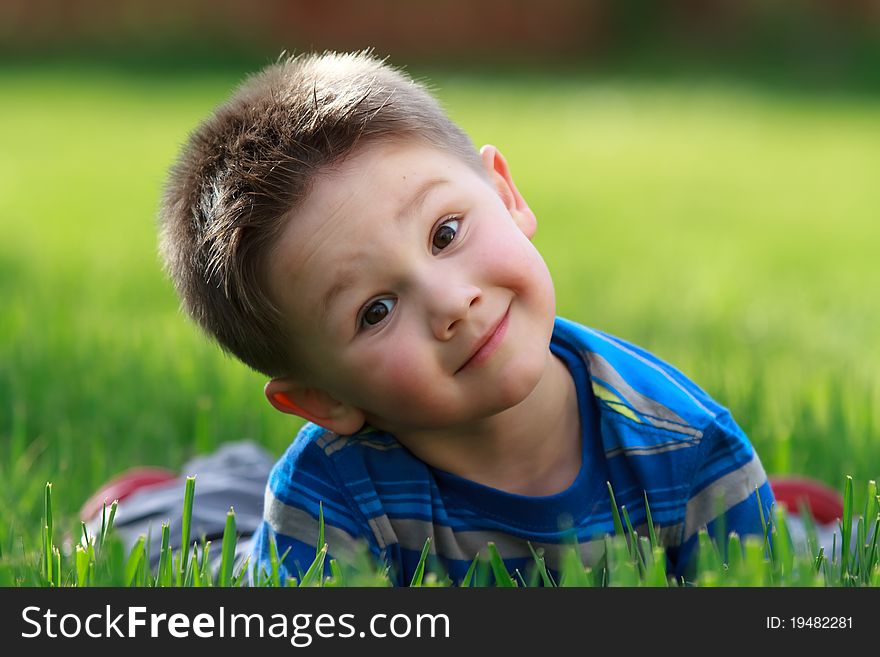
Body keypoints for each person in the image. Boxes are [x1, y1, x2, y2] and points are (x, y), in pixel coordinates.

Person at [155, 50, 777, 586]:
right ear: (322, 400)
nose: (452, 303)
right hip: (229, 540)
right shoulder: (326, 496)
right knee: (182, 541)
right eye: (375, 311)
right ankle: (186, 490)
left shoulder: (689, 451)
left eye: (445, 232)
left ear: (506, 196)